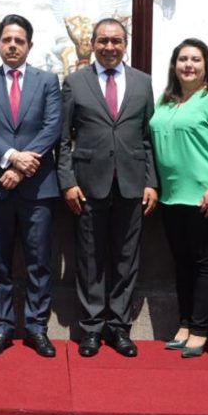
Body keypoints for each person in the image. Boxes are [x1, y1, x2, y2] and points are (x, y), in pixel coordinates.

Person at [57, 18, 158, 358]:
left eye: (116, 41)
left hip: (131, 186)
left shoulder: (143, 83)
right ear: (93, 44)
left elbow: (147, 139)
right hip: (87, 187)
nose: (109, 47)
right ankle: (91, 329)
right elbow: (63, 140)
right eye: (103, 41)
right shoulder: (75, 82)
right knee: (89, 260)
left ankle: (120, 329)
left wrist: (151, 182)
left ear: (125, 44)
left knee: (127, 261)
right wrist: (68, 182)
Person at [0, 15, 63, 358]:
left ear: (29, 46)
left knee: (39, 261)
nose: (12, 45)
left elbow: (52, 127)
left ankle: (37, 328)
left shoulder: (47, 80)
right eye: (6, 39)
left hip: (38, 188)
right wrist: (10, 157)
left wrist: (22, 168)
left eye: (19, 40)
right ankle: (2, 328)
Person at [150, 38, 208, 359]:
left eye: (195, 59)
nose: (188, 65)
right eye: (182, 59)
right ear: (174, 65)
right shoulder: (166, 100)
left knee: (204, 265)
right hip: (170, 197)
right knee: (181, 264)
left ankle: (200, 329)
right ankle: (184, 323)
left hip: (204, 196)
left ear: (206, 64)